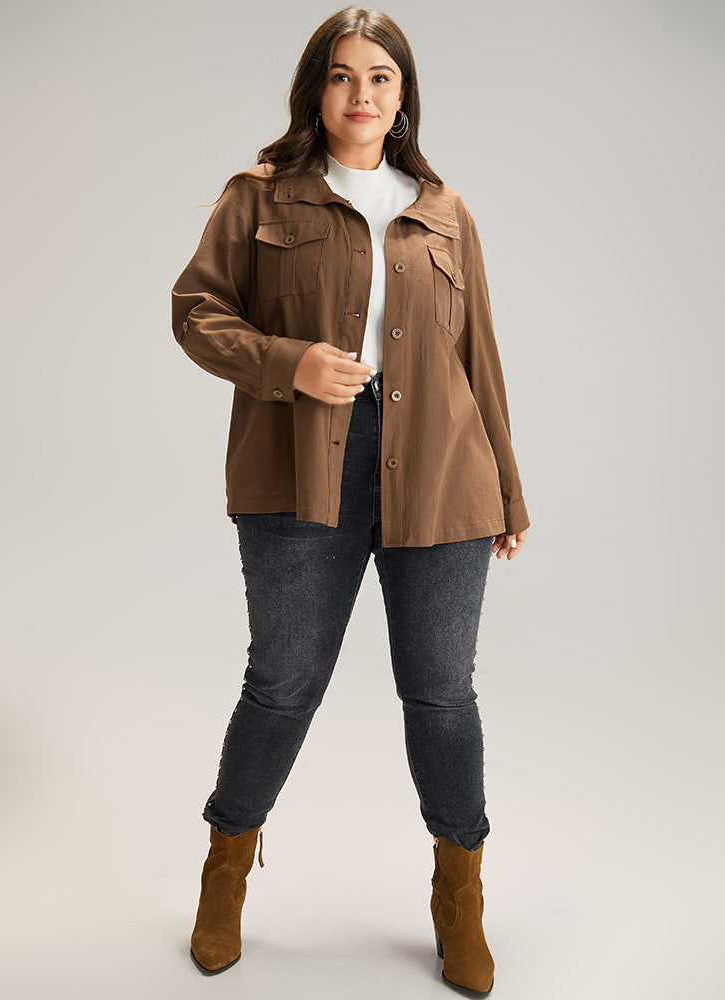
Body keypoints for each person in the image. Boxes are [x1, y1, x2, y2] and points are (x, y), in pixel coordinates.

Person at [171, 7, 530, 996]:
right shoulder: (258, 195)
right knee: (283, 683)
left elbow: (479, 356)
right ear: (315, 90)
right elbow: (195, 311)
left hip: (444, 470)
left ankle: (460, 896)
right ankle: (225, 871)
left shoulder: (444, 210)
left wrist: (508, 487)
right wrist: (289, 364)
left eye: (380, 76)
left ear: (403, 94)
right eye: (341, 75)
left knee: (442, 691)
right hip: (300, 465)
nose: (360, 93)